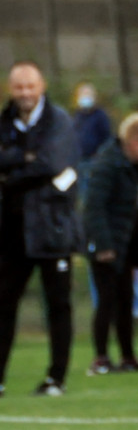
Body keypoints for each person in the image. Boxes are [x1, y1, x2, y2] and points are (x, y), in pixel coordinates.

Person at [0, 61, 83, 397]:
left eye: (30, 86)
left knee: (58, 305)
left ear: (42, 86)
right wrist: (28, 159)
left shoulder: (59, 121)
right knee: (4, 305)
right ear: (10, 89)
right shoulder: (4, 121)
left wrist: (12, 171)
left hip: (52, 228)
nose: (25, 94)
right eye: (19, 87)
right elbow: (34, 165)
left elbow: (54, 164)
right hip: (12, 231)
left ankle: (56, 378)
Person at [82, 112, 138, 375]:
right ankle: (101, 358)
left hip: (126, 243)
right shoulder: (107, 165)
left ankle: (128, 357)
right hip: (106, 243)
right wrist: (103, 244)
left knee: (126, 299)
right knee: (106, 300)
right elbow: (94, 207)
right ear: (136, 142)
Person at [71, 83, 113, 163]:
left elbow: (106, 138)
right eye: (83, 95)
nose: (85, 97)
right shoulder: (77, 115)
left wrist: (101, 156)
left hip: (95, 160)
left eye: (88, 95)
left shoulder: (100, 116)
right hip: (79, 159)